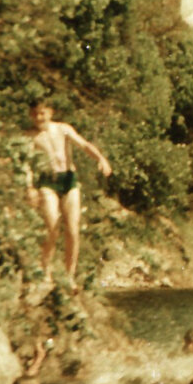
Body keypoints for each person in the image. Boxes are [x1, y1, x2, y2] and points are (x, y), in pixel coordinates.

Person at [26, 99, 111, 284]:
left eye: (42, 113)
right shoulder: (30, 136)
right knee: (52, 228)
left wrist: (100, 158)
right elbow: (26, 164)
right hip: (47, 182)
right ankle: (46, 272)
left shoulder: (63, 129)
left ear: (50, 112)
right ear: (30, 115)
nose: (39, 118)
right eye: (35, 114)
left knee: (72, 229)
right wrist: (29, 187)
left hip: (68, 180)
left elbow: (84, 144)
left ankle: (69, 276)